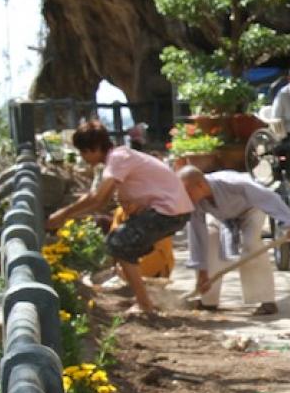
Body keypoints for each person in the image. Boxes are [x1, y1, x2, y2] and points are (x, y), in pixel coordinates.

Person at [47, 121, 193, 314]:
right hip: (171, 211)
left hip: (169, 212)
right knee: (121, 245)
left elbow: (98, 198)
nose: (82, 157)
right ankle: (146, 298)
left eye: (83, 151)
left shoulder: (118, 158)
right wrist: (66, 216)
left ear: (96, 148)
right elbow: (99, 201)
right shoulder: (117, 160)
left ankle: (145, 304)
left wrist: (63, 215)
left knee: (118, 243)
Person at [179, 166, 290, 314]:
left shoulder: (234, 183)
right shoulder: (195, 201)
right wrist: (202, 272)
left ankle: (266, 301)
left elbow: (268, 198)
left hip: (251, 211)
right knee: (210, 238)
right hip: (223, 217)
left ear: (200, 185)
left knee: (251, 244)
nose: (184, 196)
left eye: (186, 191)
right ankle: (208, 300)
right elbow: (197, 233)